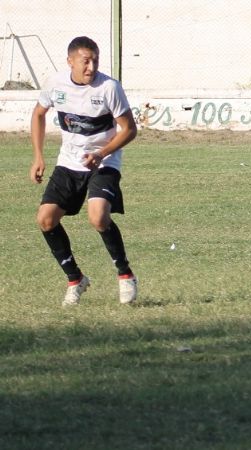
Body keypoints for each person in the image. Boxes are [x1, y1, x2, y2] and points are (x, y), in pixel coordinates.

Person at [30, 36, 139, 306]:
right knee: (45, 220)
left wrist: (101, 153)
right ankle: (75, 279)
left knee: (98, 217)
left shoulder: (109, 88)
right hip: (69, 163)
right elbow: (38, 114)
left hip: (104, 161)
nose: (91, 67)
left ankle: (125, 275)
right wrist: (38, 157)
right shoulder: (56, 84)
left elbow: (130, 129)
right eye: (85, 61)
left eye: (95, 61)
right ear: (70, 62)